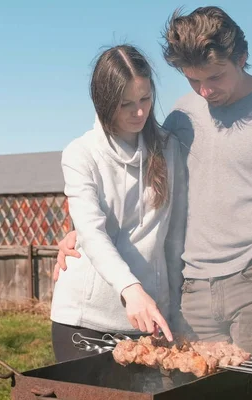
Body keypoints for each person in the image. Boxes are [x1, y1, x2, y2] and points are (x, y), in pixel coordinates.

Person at [53, 7, 252, 400]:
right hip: (193, 289)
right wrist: (80, 229)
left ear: (242, 57)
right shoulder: (182, 115)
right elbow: (151, 195)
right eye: (193, 79)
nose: (205, 91)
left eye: (215, 77)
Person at [50, 44, 187, 363]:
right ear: (105, 102)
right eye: (127, 104)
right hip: (84, 321)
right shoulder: (80, 154)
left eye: (145, 99)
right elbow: (92, 234)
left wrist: (174, 307)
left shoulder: (169, 149)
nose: (139, 112)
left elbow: (174, 236)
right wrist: (131, 289)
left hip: (148, 317)